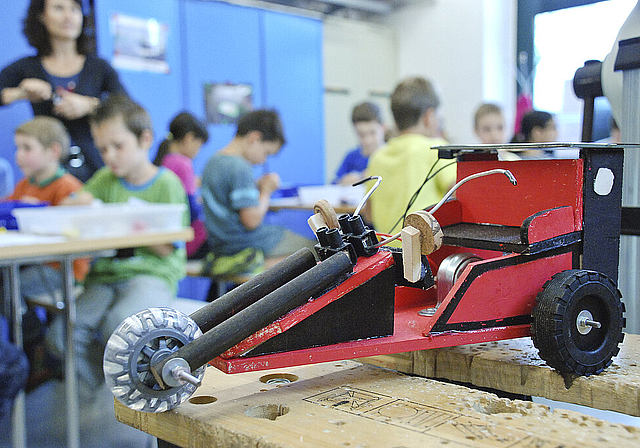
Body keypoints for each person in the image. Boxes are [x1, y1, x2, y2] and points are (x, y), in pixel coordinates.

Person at [49, 95, 189, 394]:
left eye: (118, 146)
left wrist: (127, 222)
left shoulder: (166, 184)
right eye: (102, 149)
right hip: (104, 277)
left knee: (120, 324)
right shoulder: (104, 179)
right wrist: (79, 204)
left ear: (144, 139)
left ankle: (121, 399)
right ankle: (94, 400)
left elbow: (168, 248)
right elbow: (68, 208)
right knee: (62, 334)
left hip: (151, 273)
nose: (110, 156)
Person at [0, 0, 127, 182]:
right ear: (42, 16)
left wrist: (89, 105)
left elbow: (126, 106)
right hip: (47, 170)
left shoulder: (99, 67)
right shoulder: (27, 67)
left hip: (95, 168)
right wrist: (20, 93)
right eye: (59, 8)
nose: (69, 17)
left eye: (75, 9)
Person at [3, 116, 87, 390]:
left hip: (60, 270)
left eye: (27, 148)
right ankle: (32, 348)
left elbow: (72, 231)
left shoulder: (68, 187)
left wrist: (44, 214)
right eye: (18, 148)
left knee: (7, 290)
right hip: (32, 265)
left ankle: (38, 351)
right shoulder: (25, 185)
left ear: (52, 151)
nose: (19, 155)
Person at [200, 109, 316, 277]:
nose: (263, 160)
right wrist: (266, 191)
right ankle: (263, 267)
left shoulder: (213, 162)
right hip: (244, 243)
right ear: (254, 138)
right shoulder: (240, 167)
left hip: (221, 246)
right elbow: (251, 220)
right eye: (266, 153)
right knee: (315, 248)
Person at [365, 77, 456, 234]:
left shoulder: (377, 157)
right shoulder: (436, 149)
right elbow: (461, 198)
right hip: (427, 255)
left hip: (388, 253)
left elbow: (369, 215)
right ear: (428, 116)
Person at [153, 112, 210, 259]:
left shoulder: (162, 160)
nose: (198, 152)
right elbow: (191, 212)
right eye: (199, 146)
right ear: (189, 138)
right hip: (186, 242)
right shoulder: (183, 163)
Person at [334, 102, 386, 185]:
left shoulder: (392, 156)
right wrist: (343, 182)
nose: (368, 141)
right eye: (361, 135)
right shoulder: (351, 157)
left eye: (372, 133)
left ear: (383, 128)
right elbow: (334, 184)